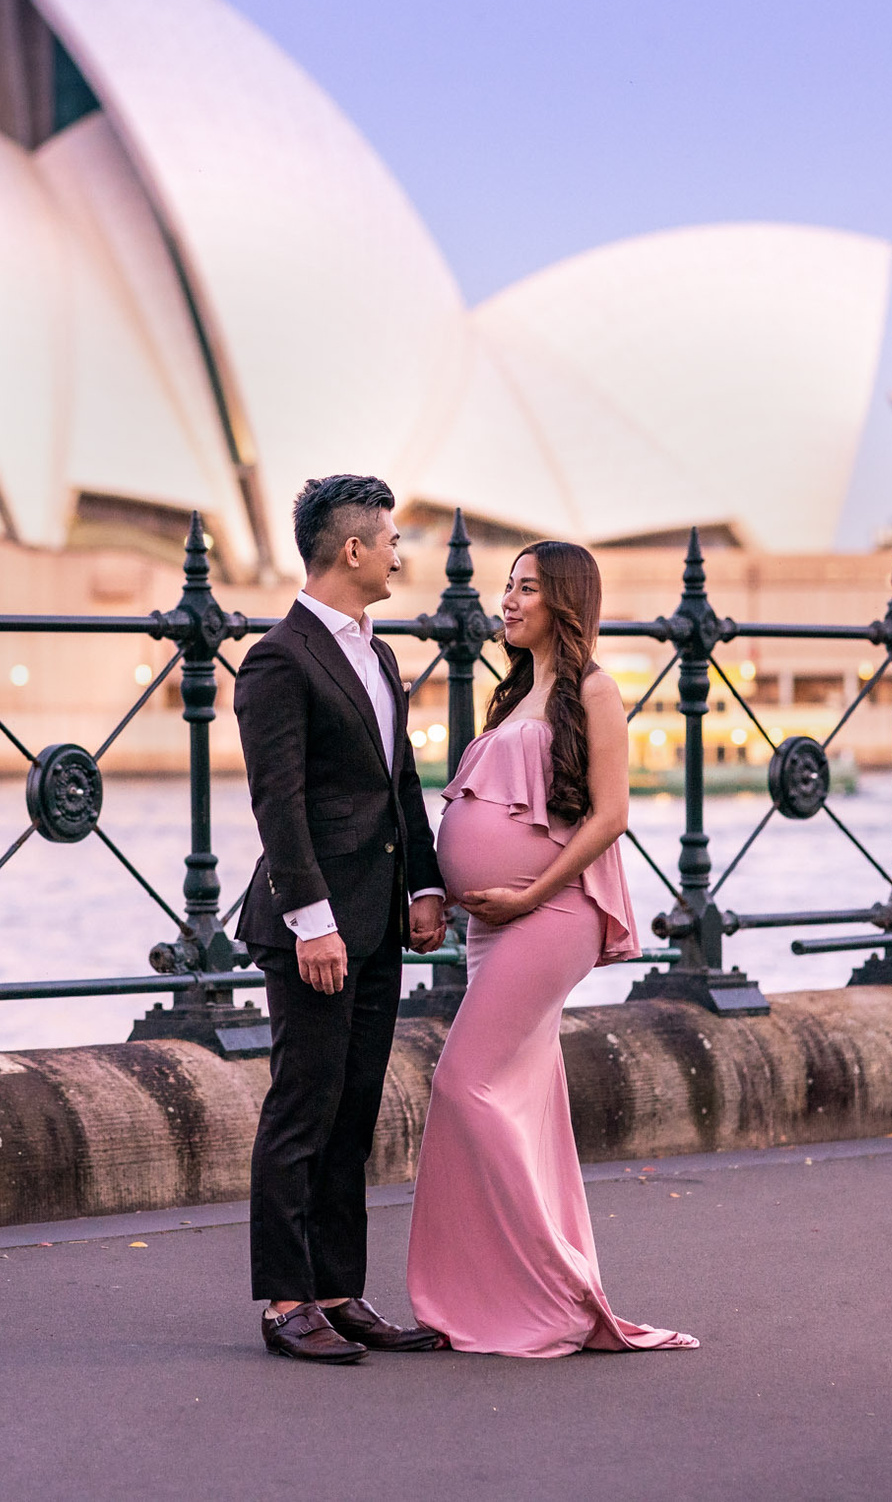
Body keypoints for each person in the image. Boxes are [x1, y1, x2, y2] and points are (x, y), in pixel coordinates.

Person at [404, 540, 698, 1357]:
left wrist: (529, 893)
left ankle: (558, 1287)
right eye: (506, 585)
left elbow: (611, 816)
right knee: (524, 1101)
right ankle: (505, 1296)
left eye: (526, 587)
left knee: (464, 1083)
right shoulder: (513, 697)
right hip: (493, 926)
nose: (507, 599)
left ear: (564, 600)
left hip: (552, 914)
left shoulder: (594, 690)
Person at [235, 475, 451, 1363]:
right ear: (353, 549)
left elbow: (400, 784)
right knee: (304, 1105)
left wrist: (425, 886)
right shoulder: (278, 659)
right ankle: (286, 1301)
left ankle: (336, 1291)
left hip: (377, 917)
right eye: (391, 539)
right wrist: (311, 920)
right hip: (315, 926)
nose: (400, 554)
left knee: (354, 1108)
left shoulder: (379, 654)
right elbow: (277, 802)